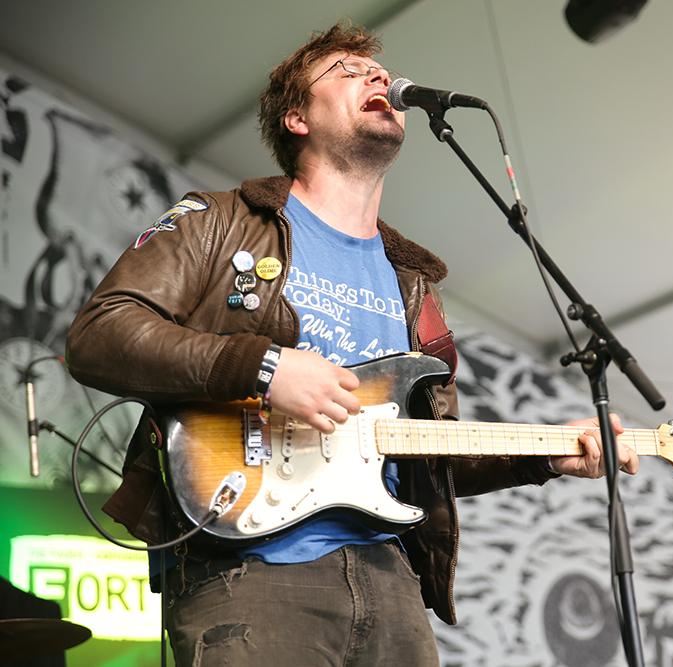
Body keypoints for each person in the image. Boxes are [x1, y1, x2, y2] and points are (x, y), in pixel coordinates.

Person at [66, 22, 638, 666]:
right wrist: (265, 366)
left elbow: (423, 455)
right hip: (249, 569)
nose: (376, 77)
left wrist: (545, 455)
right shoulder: (222, 221)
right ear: (297, 119)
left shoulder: (413, 284)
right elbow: (99, 333)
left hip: (391, 584)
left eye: (377, 70)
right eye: (346, 70)